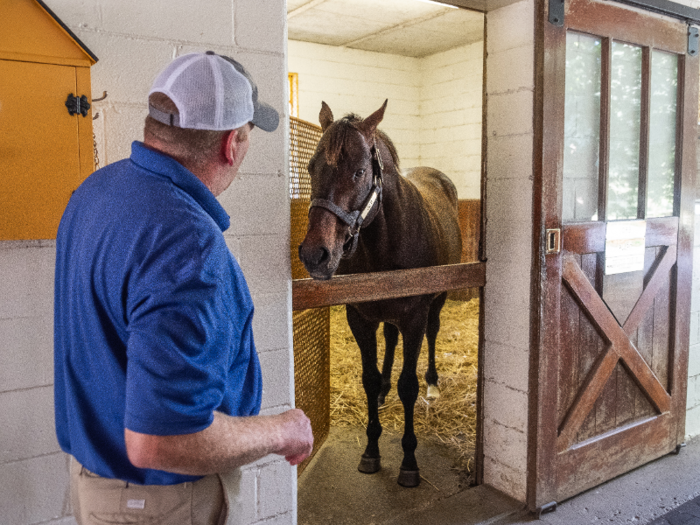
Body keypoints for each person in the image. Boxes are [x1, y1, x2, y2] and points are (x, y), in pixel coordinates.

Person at [54, 51, 313, 525]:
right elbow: (161, 439)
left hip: (99, 485)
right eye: (250, 134)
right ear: (232, 144)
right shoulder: (187, 244)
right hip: (163, 504)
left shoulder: (94, 191)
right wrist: (282, 430)